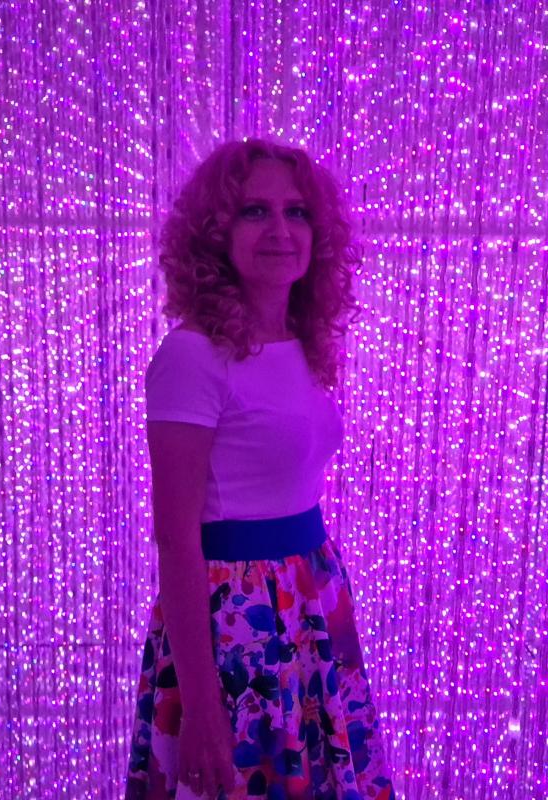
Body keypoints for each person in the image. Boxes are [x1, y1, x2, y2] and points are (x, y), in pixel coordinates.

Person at [124, 138, 397, 800]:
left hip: (310, 601)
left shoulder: (302, 342)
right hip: (235, 620)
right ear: (216, 232)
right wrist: (202, 707)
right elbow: (176, 538)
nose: (280, 229)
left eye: (296, 212)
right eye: (254, 211)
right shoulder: (193, 356)